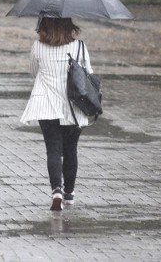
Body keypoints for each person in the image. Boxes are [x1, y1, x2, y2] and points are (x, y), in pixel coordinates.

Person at [19, 17, 94, 211]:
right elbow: (89, 74)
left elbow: (34, 71)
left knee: (53, 149)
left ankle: (56, 191)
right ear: (69, 25)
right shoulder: (80, 47)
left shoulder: (37, 47)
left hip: (46, 104)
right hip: (74, 106)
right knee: (71, 150)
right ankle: (69, 194)